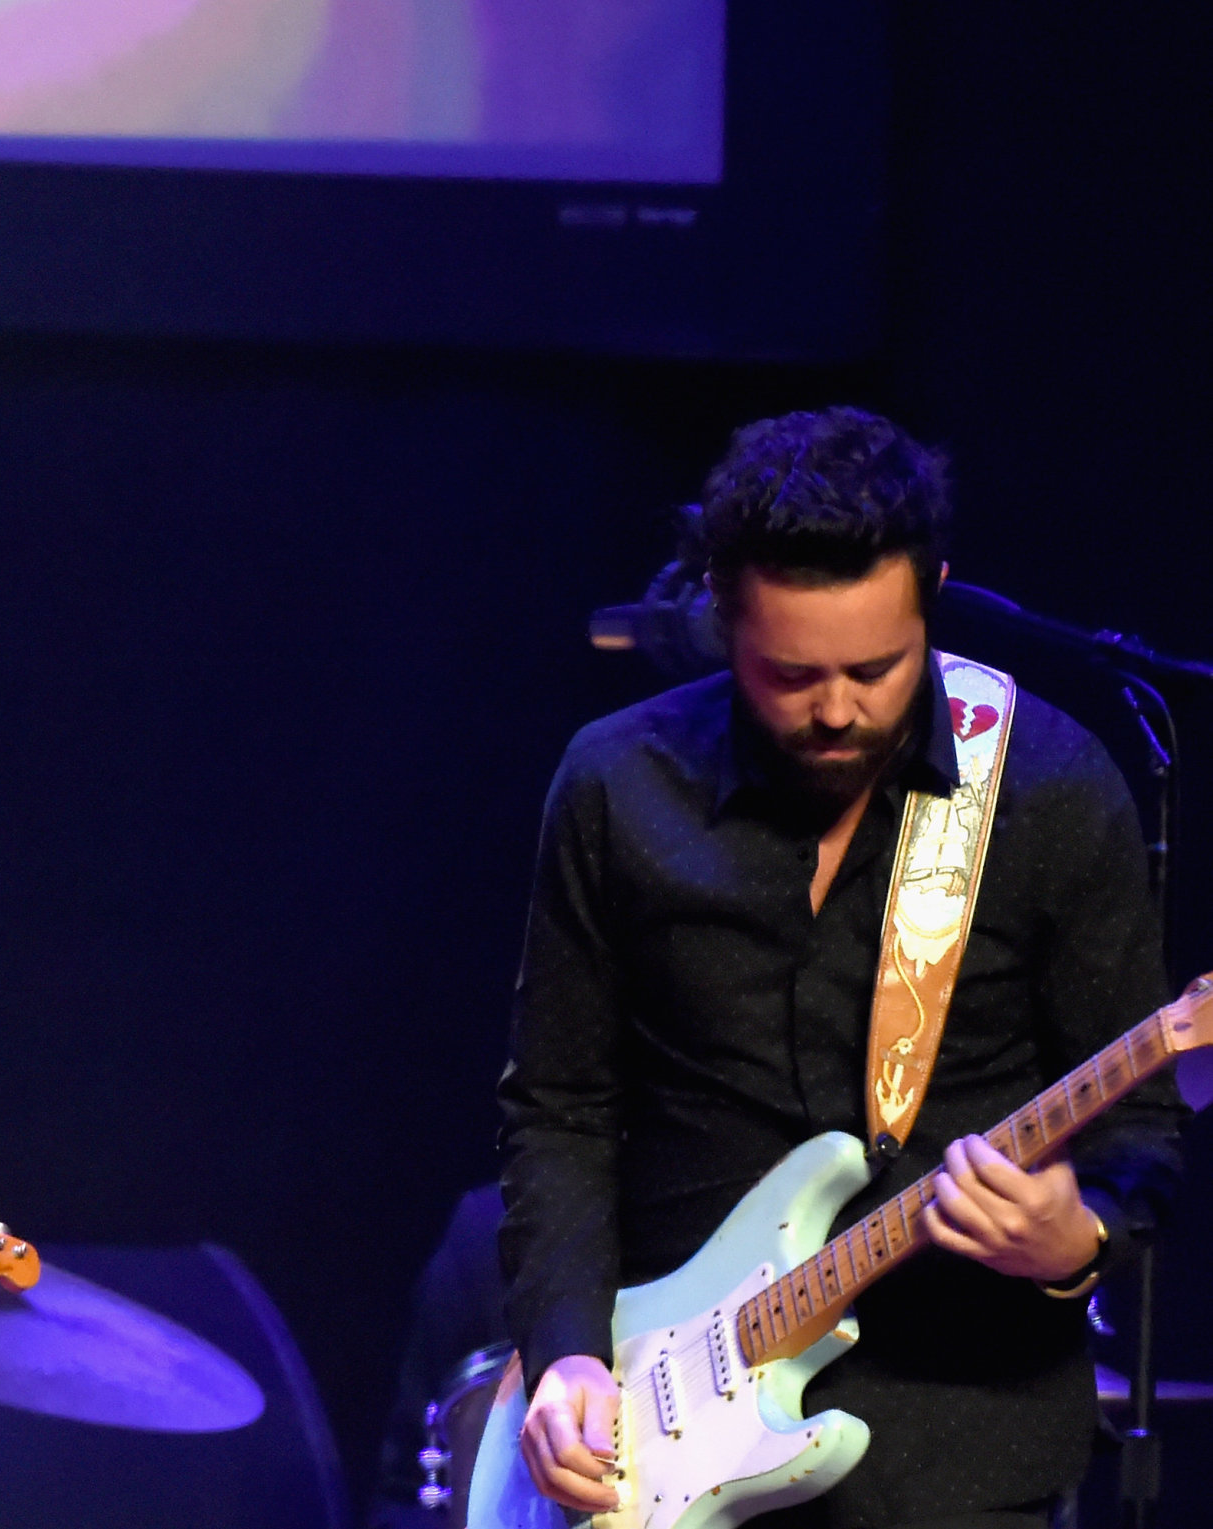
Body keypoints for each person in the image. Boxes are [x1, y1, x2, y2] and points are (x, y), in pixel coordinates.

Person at [498, 407, 1184, 1528]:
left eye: (876, 667)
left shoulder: (1047, 787)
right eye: (788, 672)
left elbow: (1139, 1131)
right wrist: (566, 1352)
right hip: (657, 1439)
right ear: (721, 614)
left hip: (960, 1450)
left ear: (934, 594)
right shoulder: (616, 783)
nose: (834, 708)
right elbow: (557, 1108)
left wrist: (1074, 1242)